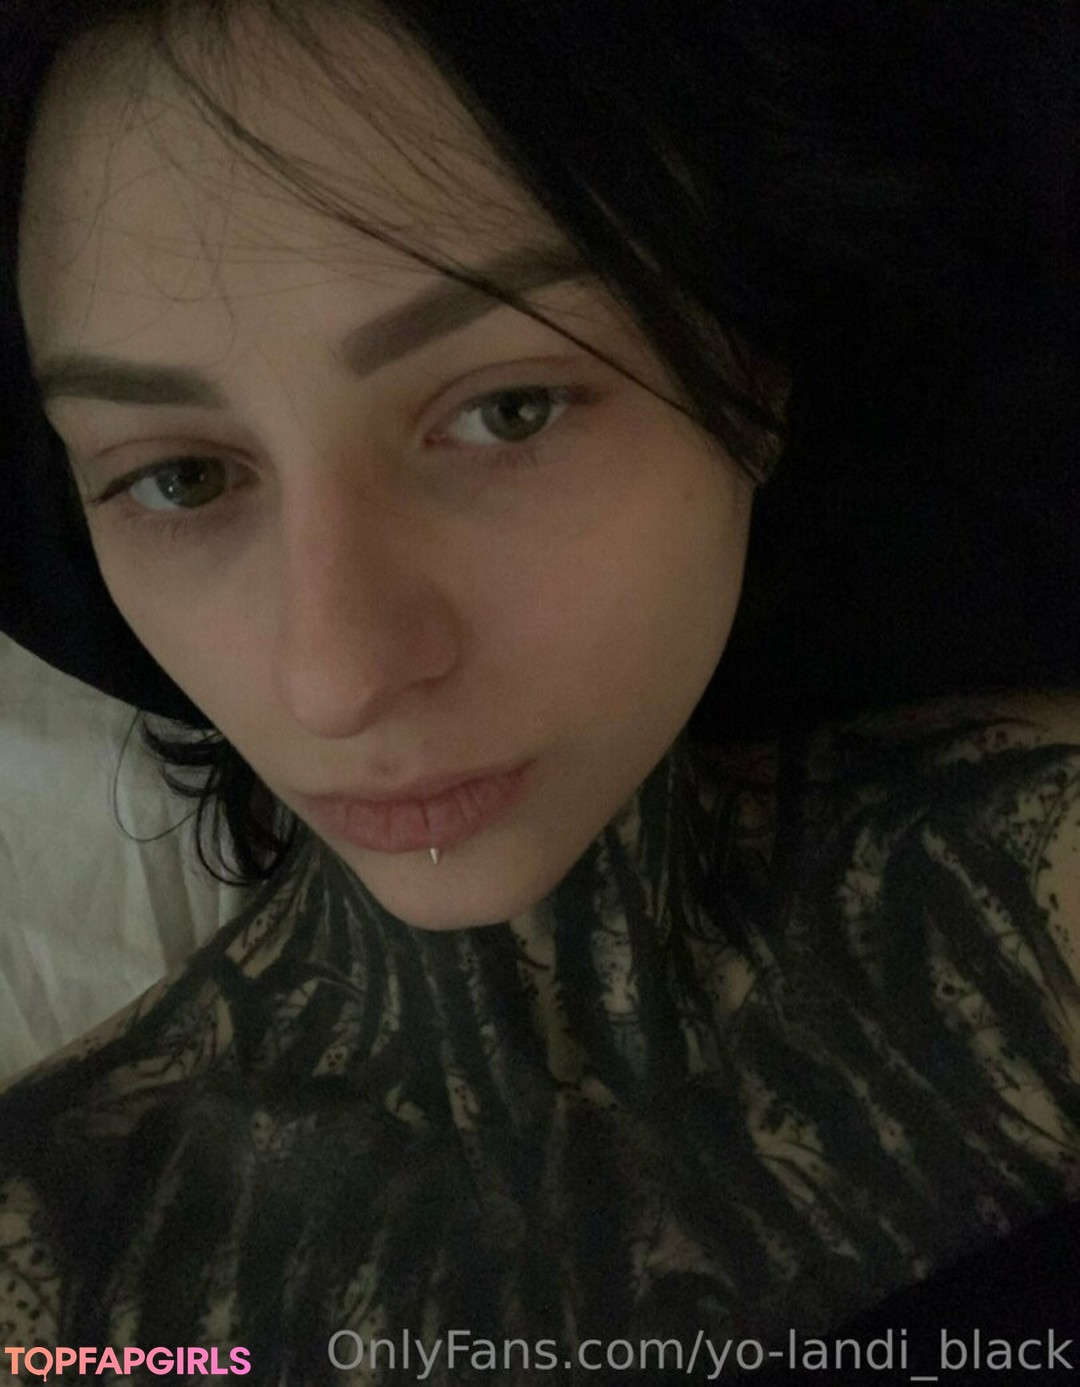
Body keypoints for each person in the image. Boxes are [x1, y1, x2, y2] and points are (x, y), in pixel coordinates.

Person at [1, 2, 1078, 1383]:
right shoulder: (54, 1282)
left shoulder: (1046, 899)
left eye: (507, 409)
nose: (336, 677)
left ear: (749, 372)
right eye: (182, 477)